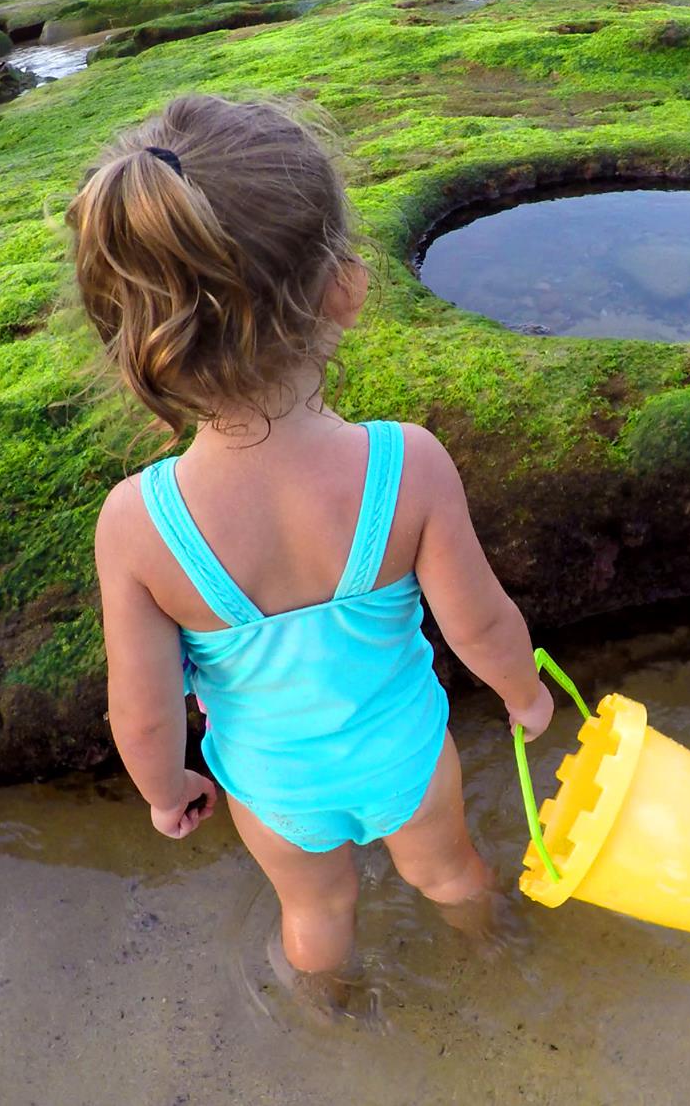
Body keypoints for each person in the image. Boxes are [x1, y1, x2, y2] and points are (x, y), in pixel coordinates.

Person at [67, 94, 554, 996]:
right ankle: (492, 964)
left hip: (273, 785)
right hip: (405, 756)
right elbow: (480, 622)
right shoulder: (406, 464)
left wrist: (168, 793)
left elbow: (140, 712)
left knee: (316, 913)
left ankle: (329, 1019)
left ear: (142, 341)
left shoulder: (136, 525)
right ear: (345, 288)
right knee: (448, 874)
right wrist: (523, 695)